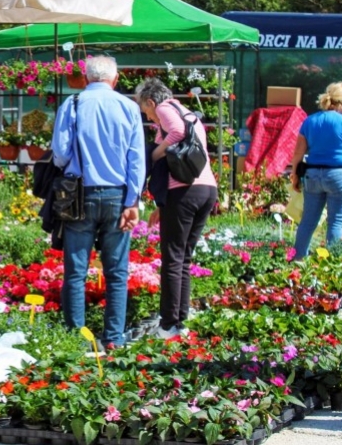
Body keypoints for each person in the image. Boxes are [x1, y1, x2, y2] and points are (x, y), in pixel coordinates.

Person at [51, 56, 145, 350]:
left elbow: (60, 153)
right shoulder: (129, 107)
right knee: (117, 272)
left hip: (79, 195)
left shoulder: (72, 105)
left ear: (86, 77)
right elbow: (136, 159)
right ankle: (114, 338)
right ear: (115, 80)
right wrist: (133, 201)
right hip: (118, 196)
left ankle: (76, 340)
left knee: (76, 271)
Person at [134, 77, 218, 339]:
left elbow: (178, 134)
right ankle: (180, 320)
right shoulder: (189, 113)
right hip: (205, 190)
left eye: (145, 110)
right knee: (184, 258)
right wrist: (162, 204)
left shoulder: (164, 108)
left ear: (150, 101)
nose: (149, 116)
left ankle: (168, 325)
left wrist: (154, 154)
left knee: (172, 258)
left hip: (184, 190)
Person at [290, 82, 342, 259]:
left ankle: (297, 260)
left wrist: (295, 176)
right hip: (339, 176)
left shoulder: (310, 121)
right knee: (336, 223)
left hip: (312, 175)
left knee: (308, 222)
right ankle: (333, 264)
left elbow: (298, 153)